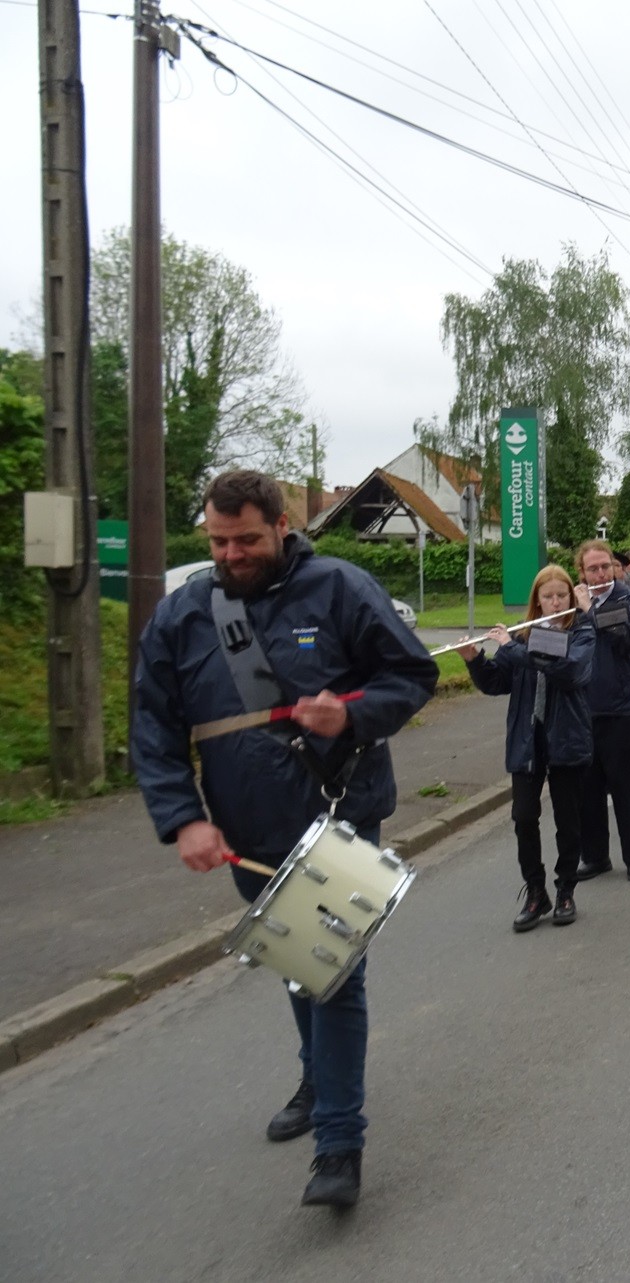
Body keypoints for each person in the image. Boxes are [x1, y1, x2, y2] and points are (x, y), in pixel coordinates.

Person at [132, 469, 438, 1210]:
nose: (231, 554)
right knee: (296, 961)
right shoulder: (181, 616)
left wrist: (353, 714)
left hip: (338, 814)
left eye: (245, 539)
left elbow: (412, 673)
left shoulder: (339, 588)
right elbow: (154, 728)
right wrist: (184, 818)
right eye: (217, 541)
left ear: (280, 524)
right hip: (243, 827)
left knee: (330, 968)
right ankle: (317, 1075)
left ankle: (339, 1141)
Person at [459, 565, 596, 931]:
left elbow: (569, 672)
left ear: (571, 598)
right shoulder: (523, 635)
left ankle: (566, 889)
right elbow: (497, 683)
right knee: (523, 817)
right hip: (527, 738)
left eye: (561, 596)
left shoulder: (582, 632)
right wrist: (475, 661)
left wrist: (514, 649)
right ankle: (536, 891)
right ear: (537, 601)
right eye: (547, 597)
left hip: (566, 736)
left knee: (568, 820)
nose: (554, 603)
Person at [572, 540, 630, 884]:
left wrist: (590, 609)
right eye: (593, 569)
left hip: (621, 707)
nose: (601, 573)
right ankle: (595, 857)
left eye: (605, 567)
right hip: (583, 707)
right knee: (588, 789)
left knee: (625, 786)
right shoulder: (571, 602)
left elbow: (627, 638)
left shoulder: (629, 598)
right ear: (582, 572)